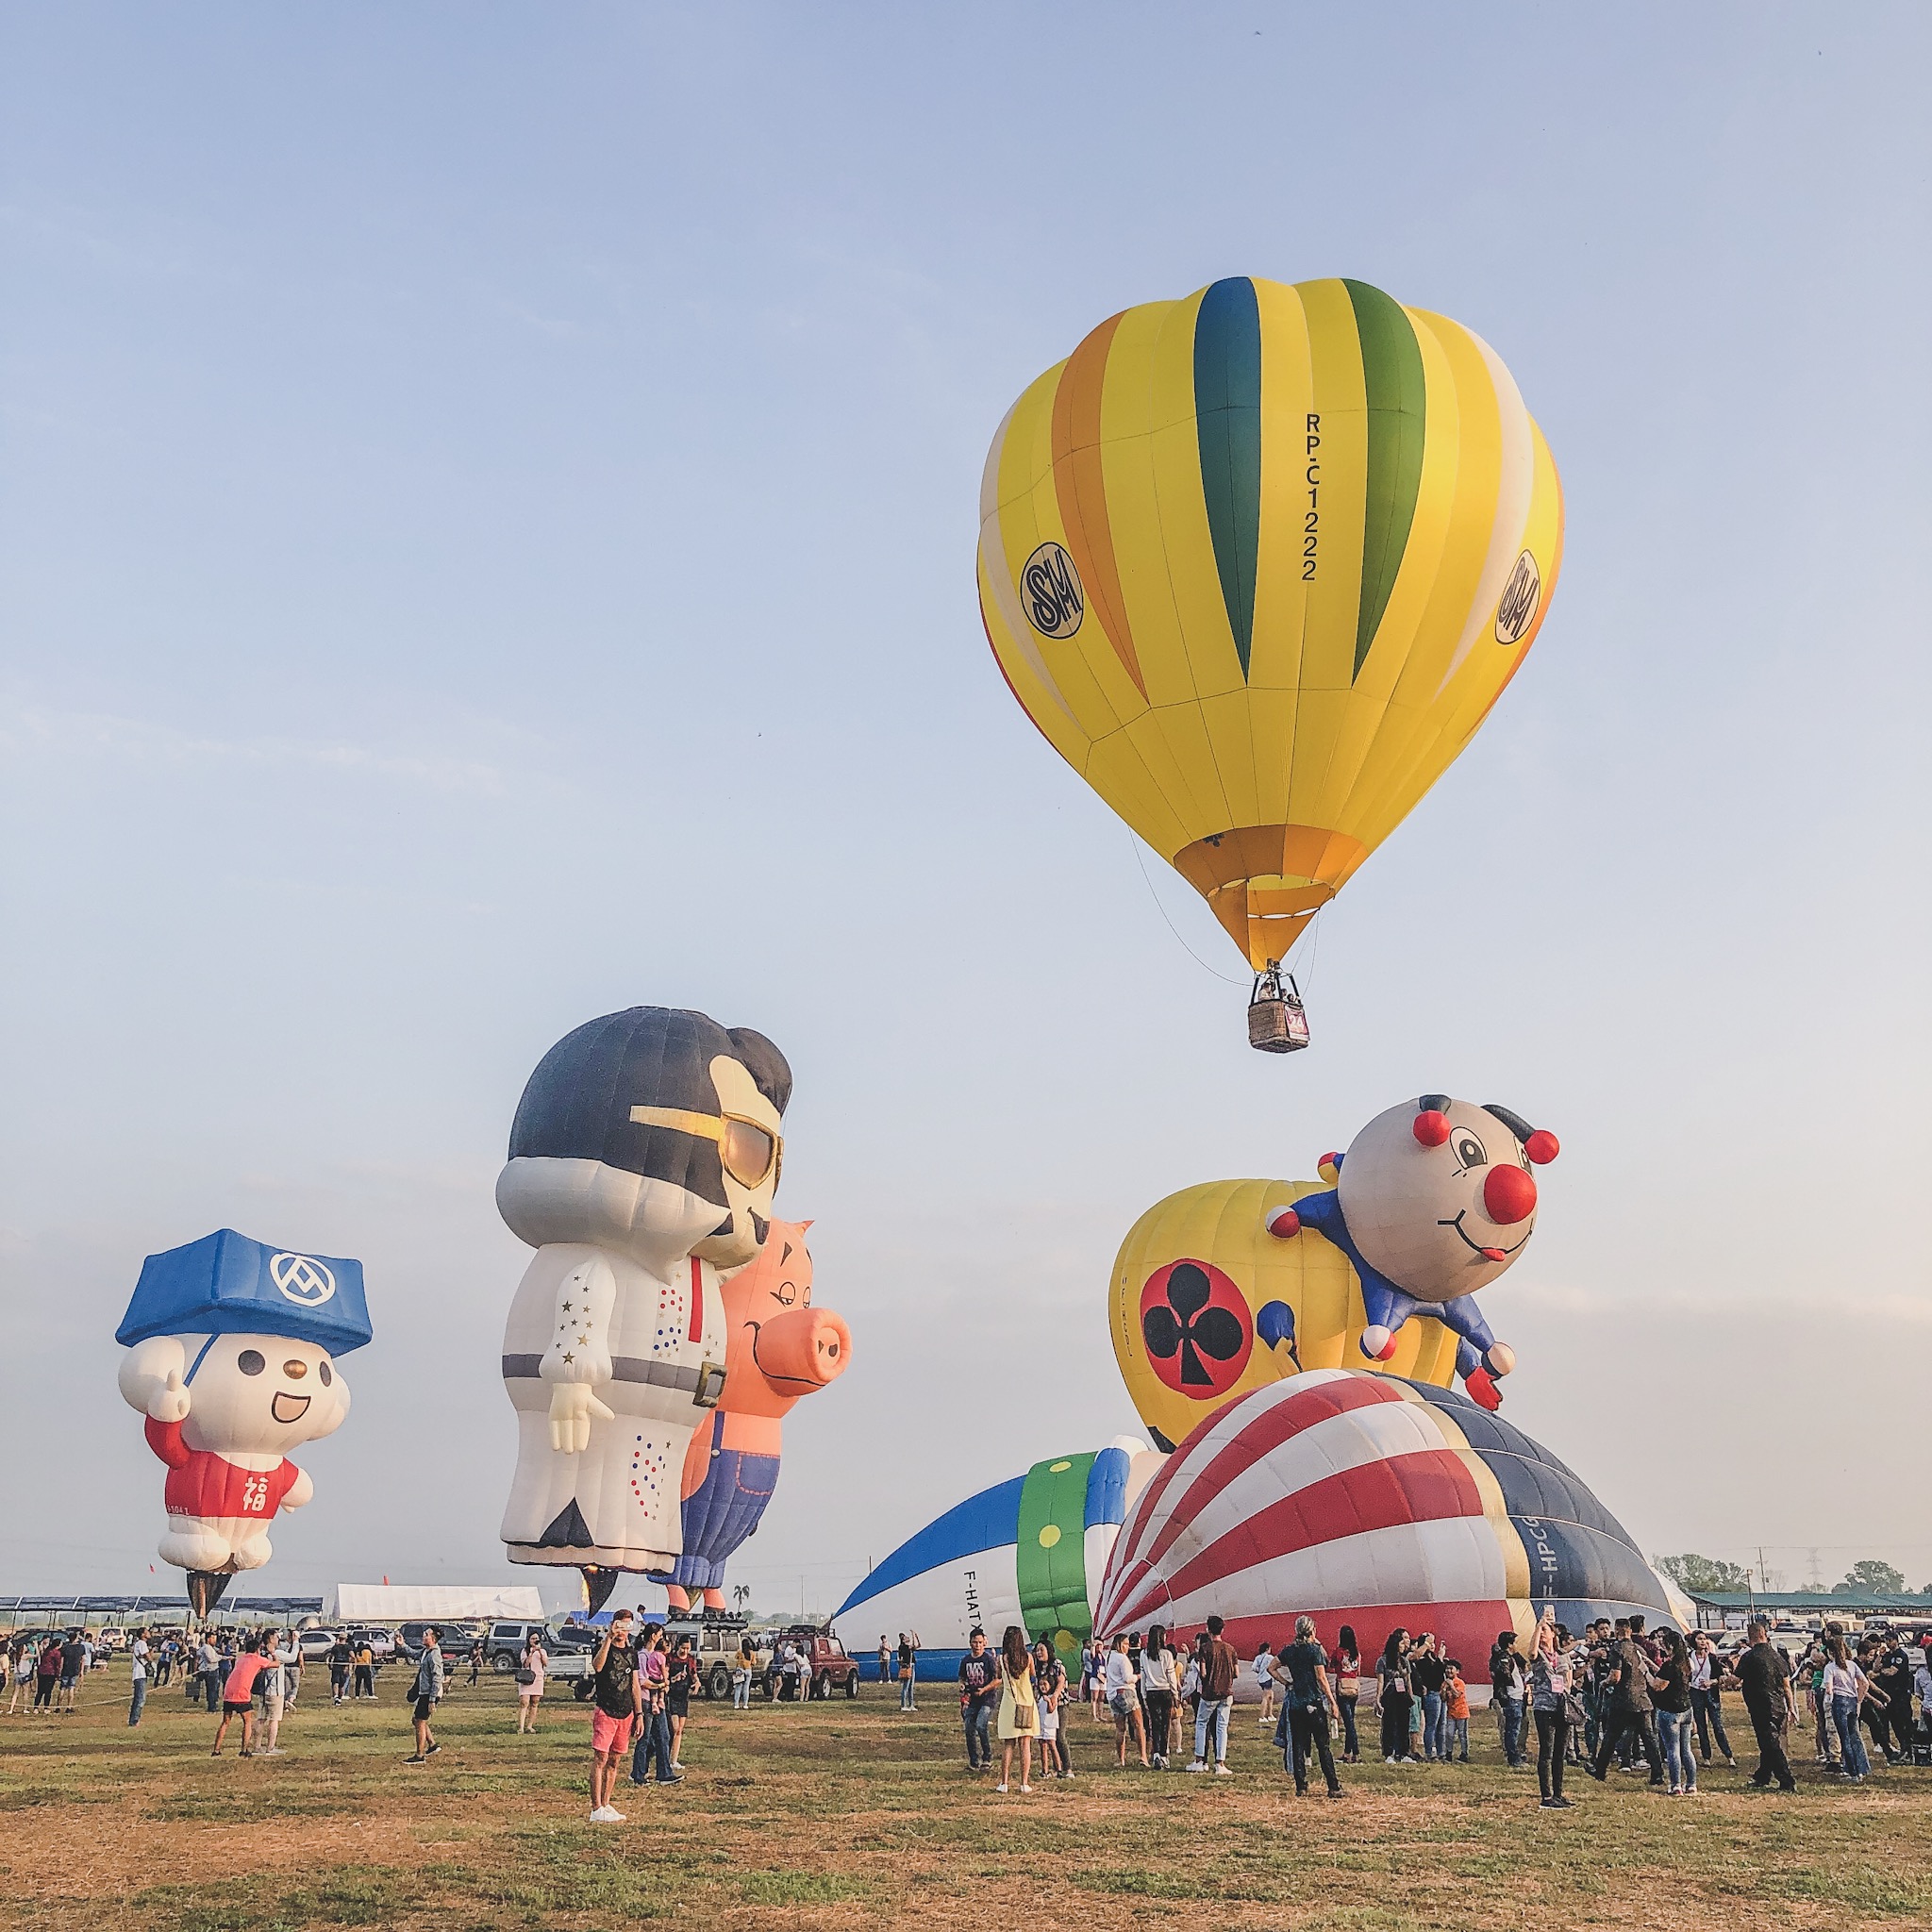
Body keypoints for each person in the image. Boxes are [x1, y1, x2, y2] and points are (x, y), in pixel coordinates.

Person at [1588, 1613, 1663, 1787]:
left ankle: (1599, 1770)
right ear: (1630, 1630)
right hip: (1642, 1699)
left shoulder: (1617, 1649)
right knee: (1649, 1739)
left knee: (1610, 1737)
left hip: (1623, 1700)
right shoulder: (1639, 1649)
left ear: (1617, 1630)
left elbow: (1615, 1676)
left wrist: (1604, 1683)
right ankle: (1657, 1774)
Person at [1722, 1620, 1798, 1791]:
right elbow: (1787, 1685)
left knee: (1770, 1745)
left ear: (1750, 1638)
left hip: (1760, 1705)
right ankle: (1763, 1775)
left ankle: (1786, 1780)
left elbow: (1735, 1680)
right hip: (1779, 1705)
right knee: (1768, 1742)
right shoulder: (1777, 1657)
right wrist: (1791, 1707)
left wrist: (1723, 1678)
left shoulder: (1749, 1656)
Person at [1271, 1616, 1342, 1799]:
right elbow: (1321, 1678)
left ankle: (1301, 1786)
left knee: (1299, 1745)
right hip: (1313, 1702)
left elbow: (1271, 1668)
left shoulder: (1289, 1650)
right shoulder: (1315, 1650)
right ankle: (1333, 1786)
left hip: (1296, 1703)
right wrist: (1333, 1702)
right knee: (1323, 1746)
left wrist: (1287, 1683)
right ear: (1312, 1631)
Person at [589, 1607, 641, 1822]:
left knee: (615, 1761)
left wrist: (639, 1713)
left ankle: (607, 1802)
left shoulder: (632, 1654)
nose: (622, 1630)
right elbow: (597, 1667)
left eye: (626, 1626)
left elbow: (635, 1685)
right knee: (600, 1757)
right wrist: (608, 1638)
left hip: (626, 1711)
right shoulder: (604, 1648)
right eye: (619, 1625)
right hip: (606, 1710)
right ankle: (596, 1808)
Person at [1528, 1612, 1575, 1807]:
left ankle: (1558, 1793)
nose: (1543, 1634)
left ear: (1554, 1635)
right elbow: (1531, 1652)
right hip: (1544, 1706)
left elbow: (1569, 1680)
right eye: (1541, 1632)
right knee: (1546, 1752)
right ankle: (1546, 1796)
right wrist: (1539, 1626)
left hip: (1561, 1707)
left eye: (1546, 1631)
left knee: (1559, 1753)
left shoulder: (1562, 1657)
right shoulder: (1538, 1656)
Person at [1188, 1615, 1239, 1775]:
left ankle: (1199, 1761)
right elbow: (1236, 1673)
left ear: (1207, 1629)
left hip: (1210, 1693)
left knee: (1202, 1724)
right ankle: (1220, 1763)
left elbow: (1203, 1672)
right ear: (1222, 1630)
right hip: (1226, 1692)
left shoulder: (1205, 1648)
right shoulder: (1231, 1649)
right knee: (1222, 1727)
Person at [632, 1624, 680, 1786]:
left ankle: (664, 1772)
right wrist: (660, 1685)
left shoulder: (656, 1655)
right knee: (645, 1738)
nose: (661, 1637)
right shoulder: (643, 1655)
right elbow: (642, 1681)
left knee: (665, 1735)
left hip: (657, 1703)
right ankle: (638, 1774)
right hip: (645, 1700)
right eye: (660, 1634)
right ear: (653, 1636)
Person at [1822, 1636, 1874, 1783]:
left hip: (1839, 1701)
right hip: (1852, 1700)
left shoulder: (1830, 1668)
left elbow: (1829, 1689)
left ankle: (1852, 1772)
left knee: (1845, 1738)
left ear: (1830, 1652)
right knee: (1855, 1736)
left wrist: (1828, 1700)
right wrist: (1859, 1700)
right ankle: (1862, 1768)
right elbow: (1864, 1683)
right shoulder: (1851, 1665)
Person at [994, 1624, 1038, 1794]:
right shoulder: (1028, 1658)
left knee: (1008, 1745)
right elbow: (1033, 1675)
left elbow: (998, 1676)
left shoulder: (1001, 1659)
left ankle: (1004, 1783)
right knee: (1025, 1744)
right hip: (1027, 1703)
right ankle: (1024, 1783)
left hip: (1009, 1704)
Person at [1687, 1632, 1735, 1769]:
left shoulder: (1712, 1658)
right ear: (1694, 1641)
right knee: (1701, 1726)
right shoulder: (1689, 1658)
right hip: (1696, 1693)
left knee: (1717, 1726)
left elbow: (1720, 1677)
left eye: (1704, 1639)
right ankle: (1706, 1756)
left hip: (1711, 1694)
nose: (1703, 1642)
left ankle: (1729, 1755)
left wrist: (1711, 1682)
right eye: (1699, 1639)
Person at [212, 1636, 265, 1757]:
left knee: (225, 1722)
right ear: (257, 1649)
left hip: (229, 1692)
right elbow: (275, 1664)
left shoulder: (241, 1659)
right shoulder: (257, 1659)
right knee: (247, 1721)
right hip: (242, 1694)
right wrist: (273, 1653)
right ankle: (244, 1750)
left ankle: (216, 1750)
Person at [957, 1628, 1000, 1773]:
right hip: (972, 1699)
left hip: (987, 1699)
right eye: (975, 1642)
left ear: (984, 1643)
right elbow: (962, 1677)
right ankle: (973, 1761)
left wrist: (984, 1689)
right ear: (970, 1643)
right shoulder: (966, 1660)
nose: (978, 1645)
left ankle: (987, 1757)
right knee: (969, 1728)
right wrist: (963, 1686)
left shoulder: (988, 1660)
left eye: (980, 1642)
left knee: (981, 1725)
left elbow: (997, 1680)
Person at [1105, 1633, 1147, 1769]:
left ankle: (1121, 1759)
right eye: (1125, 1644)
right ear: (1119, 1644)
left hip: (1113, 1694)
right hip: (1126, 1692)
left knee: (1120, 1728)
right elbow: (1128, 1678)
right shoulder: (1122, 1658)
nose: (1128, 1647)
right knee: (1139, 1724)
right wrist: (1139, 1676)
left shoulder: (1109, 1657)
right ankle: (1143, 1756)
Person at [1491, 1630, 1528, 1769]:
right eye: (1516, 1643)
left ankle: (1515, 1753)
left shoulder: (1511, 1657)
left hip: (1517, 1696)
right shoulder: (1504, 1658)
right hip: (1512, 1696)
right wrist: (1512, 1683)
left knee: (1515, 1728)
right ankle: (1513, 1757)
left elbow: (1524, 1665)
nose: (1517, 1645)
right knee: (1512, 1729)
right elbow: (1503, 1675)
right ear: (1510, 1644)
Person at [406, 1626, 444, 1764]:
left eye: (426, 1634)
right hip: (425, 1692)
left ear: (433, 1638)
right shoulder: (426, 1651)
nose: (423, 1636)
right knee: (417, 1720)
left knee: (420, 1721)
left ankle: (419, 1755)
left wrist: (432, 1700)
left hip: (430, 1693)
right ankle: (433, 1745)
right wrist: (402, 1644)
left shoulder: (435, 1655)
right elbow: (414, 1654)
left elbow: (437, 1678)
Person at [1033, 1639, 1071, 1779]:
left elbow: (1061, 1681)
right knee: (1045, 1739)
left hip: (1060, 1704)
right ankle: (1052, 1769)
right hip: (1044, 1706)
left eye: (1041, 1650)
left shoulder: (1056, 1664)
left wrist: (1055, 1696)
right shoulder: (1038, 1667)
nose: (1039, 1653)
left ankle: (1067, 1768)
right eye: (1037, 1650)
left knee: (1059, 1736)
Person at [257, 1629, 298, 1756]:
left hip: (263, 1690)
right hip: (275, 1691)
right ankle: (270, 1747)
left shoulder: (261, 1653)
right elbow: (292, 1658)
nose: (278, 1639)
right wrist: (296, 1642)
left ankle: (257, 1746)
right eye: (276, 1637)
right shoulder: (277, 1653)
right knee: (274, 1719)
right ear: (271, 1639)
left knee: (261, 1719)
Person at [1141, 1625, 1176, 1770]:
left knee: (1154, 1724)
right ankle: (1163, 1754)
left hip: (1151, 1691)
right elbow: (1171, 1676)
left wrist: (1143, 1694)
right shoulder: (1167, 1654)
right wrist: (1176, 1694)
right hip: (1165, 1690)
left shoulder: (1144, 1654)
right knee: (1165, 1724)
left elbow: (1143, 1676)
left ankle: (1155, 1753)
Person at [1378, 1630, 1415, 1764]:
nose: (1404, 1645)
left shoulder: (1404, 1661)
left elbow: (1408, 1680)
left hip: (1402, 1695)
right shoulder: (1383, 1661)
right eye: (1401, 1642)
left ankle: (1403, 1752)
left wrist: (1410, 1696)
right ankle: (1389, 1752)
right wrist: (1378, 1698)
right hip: (1389, 1695)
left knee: (1404, 1724)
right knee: (1389, 1724)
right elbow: (1381, 1681)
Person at [1410, 1633, 1447, 1762]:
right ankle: (1429, 1752)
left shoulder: (1433, 1658)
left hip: (1439, 1694)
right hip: (1432, 1694)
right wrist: (1441, 1658)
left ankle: (1441, 1751)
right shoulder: (1422, 1661)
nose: (1432, 1645)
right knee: (1432, 1724)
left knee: (1442, 1724)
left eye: (1433, 1642)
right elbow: (1434, 1675)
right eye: (1429, 1642)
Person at [1331, 1625, 1361, 1763]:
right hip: (1354, 1687)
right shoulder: (1356, 1653)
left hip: (1342, 1686)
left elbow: (1332, 1665)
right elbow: (1358, 1670)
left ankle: (1355, 1752)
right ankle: (1348, 1752)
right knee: (1351, 1720)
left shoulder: (1339, 1652)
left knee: (1349, 1723)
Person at [665, 1634, 695, 1771]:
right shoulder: (670, 1658)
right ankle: (665, 1757)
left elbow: (694, 1675)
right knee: (674, 1728)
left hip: (683, 1697)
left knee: (679, 1731)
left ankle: (674, 1760)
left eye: (688, 1648)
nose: (685, 1651)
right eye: (683, 1648)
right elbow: (665, 1677)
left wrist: (697, 1683)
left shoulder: (690, 1660)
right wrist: (674, 1678)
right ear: (679, 1646)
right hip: (671, 1695)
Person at [516, 1629, 548, 1734]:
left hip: (538, 1678)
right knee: (524, 1703)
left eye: (537, 1639)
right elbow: (525, 1664)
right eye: (533, 1638)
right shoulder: (524, 1651)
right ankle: (521, 1727)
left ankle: (530, 1726)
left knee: (534, 1703)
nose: (535, 1640)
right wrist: (531, 1652)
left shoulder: (542, 1651)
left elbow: (545, 1663)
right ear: (529, 1640)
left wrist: (539, 1651)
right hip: (526, 1678)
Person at [1443, 1657, 1471, 1762]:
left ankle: (1464, 1754)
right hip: (1451, 1713)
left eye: (1451, 1669)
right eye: (1447, 1668)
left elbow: (1457, 1694)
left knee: (1462, 1734)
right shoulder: (1445, 1683)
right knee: (1449, 1734)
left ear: (1457, 1671)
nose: (1449, 1671)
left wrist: (1451, 1685)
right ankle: (1448, 1753)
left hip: (1461, 1713)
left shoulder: (1460, 1683)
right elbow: (1443, 1698)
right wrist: (1444, 1690)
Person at [126, 1627, 150, 1727]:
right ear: (143, 1634)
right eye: (147, 1632)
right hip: (140, 1674)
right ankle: (135, 1720)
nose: (149, 1633)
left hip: (139, 1674)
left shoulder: (139, 1644)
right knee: (140, 1699)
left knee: (138, 1698)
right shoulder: (142, 1643)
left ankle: (133, 1719)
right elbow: (147, 1656)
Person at [57, 1629, 85, 1714]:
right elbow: (82, 1660)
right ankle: (69, 1706)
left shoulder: (65, 1648)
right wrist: (81, 1671)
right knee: (71, 1688)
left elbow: (61, 1661)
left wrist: (59, 1671)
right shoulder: (81, 1647)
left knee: (62, 1688)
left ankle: (58, 1706)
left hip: (65, 1670)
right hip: (75, 1669)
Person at [1254, 1639, 1277, 1728]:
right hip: (1267, 1678)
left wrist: (1260, 1672)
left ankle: (1270, 1714)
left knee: (1270, 1696)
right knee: (1265, 1697)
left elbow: (1254, 1668)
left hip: (1261, 1679)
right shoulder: (1270, 1657)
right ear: (1267, 1649)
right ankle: (1262, 1716)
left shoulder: (1258, 1657)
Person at [732, 1636, 757, 1711]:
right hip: (748, 1670)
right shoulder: (752, 1653)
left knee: (738, 1687)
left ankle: (736, 1704)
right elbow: (754, 1663)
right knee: (746, 1688)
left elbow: (736, 1657)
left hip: (740, 1670)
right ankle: (745, 1704)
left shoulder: (740, 1652)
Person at [328, 1632, 353, 1707]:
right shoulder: (349, 1647)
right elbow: (353, 1657)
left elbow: (331, 1657)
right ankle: (338, 1698)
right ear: (346, 1638)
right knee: (341, 1684)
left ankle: (336, 1697)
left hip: (336, 1666)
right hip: (344, 1667)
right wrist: (348, 1666)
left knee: (335, 1682)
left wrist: (330, 1664)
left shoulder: (335, 1647)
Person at [896, 1632, 917, 1712]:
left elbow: (916, 1646)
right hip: (907, 1667)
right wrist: (913, 1635)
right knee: (906, 1687)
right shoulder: (904, 1647)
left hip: (911, 1666)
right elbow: (915, 1645)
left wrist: (915, 1636)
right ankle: (903, 1705)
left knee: (910, 1687)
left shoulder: (905, 1647)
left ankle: (911, 1704)